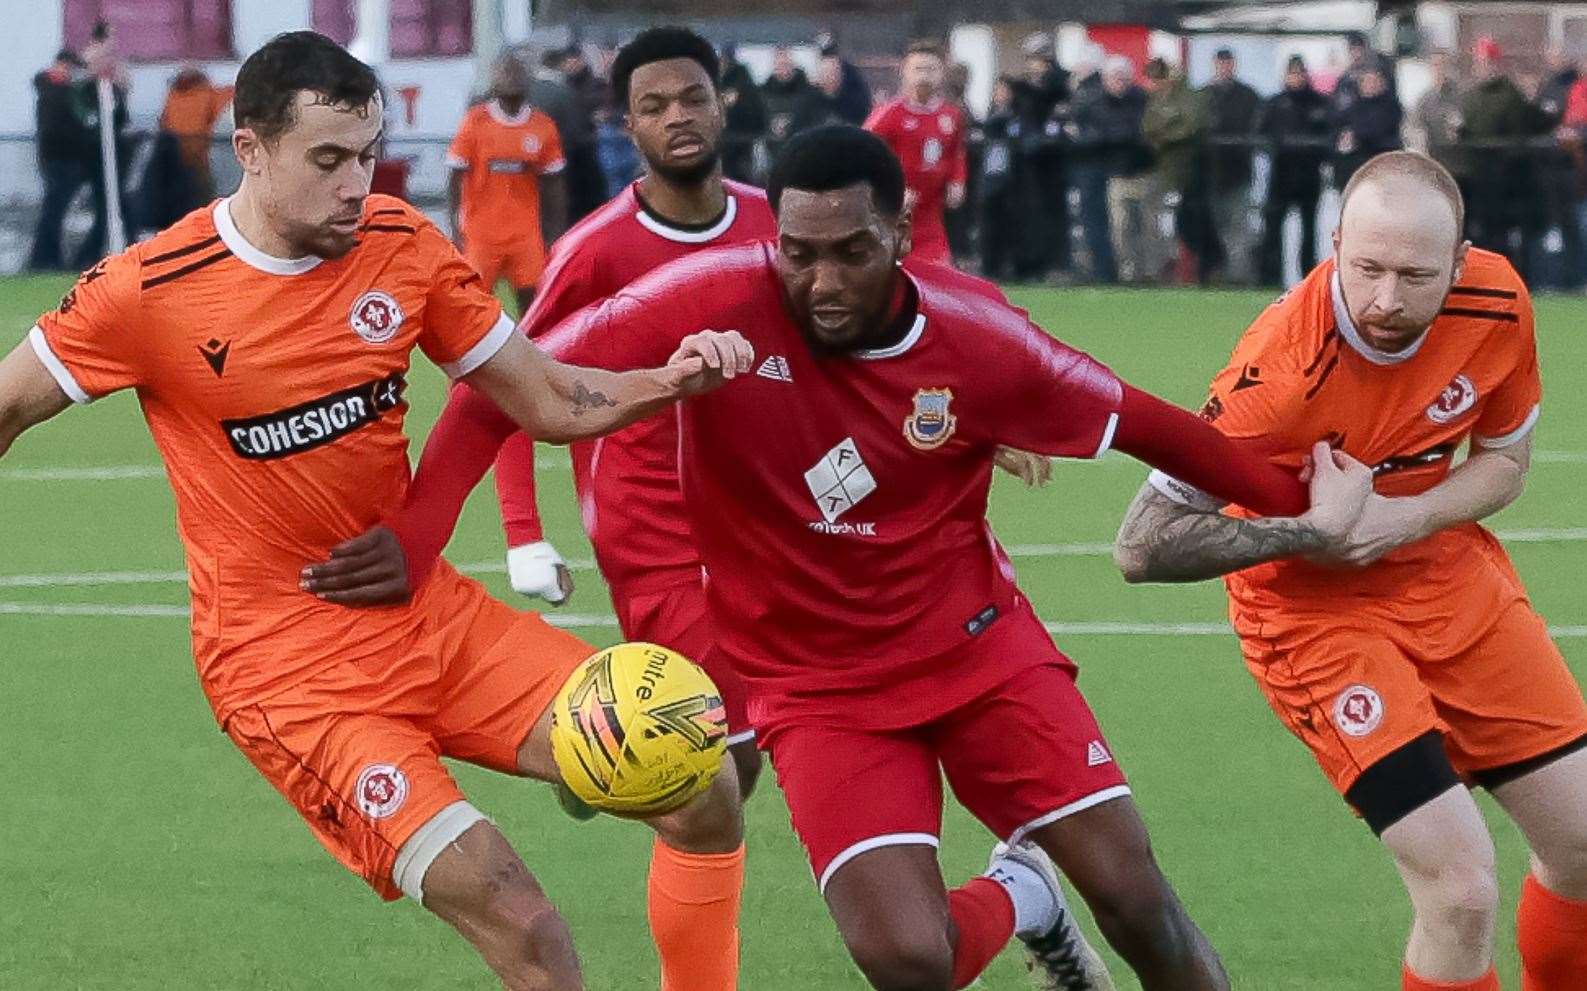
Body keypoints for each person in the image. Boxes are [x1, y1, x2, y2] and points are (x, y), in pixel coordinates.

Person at [310, 124, 1381, 991]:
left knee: (1142, 904)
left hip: (980, 655)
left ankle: (1057, 891)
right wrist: (418, 532)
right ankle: (1021, 895)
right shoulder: (711, 303)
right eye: (800, 252)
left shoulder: (981, 341)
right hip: (814, 689)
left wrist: (1313, 507)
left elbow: (1162, 430)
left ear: (901, 234)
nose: (820, 280)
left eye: (850, 252)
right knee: (905, 958)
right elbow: (514, 378)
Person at [0, 31, 750, 991]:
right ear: (251, 149)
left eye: (366, 155)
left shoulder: (400, 244)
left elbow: (549, 400)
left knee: (698, 774)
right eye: (327, 160)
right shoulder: (148, 291)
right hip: (292, 676)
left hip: (431, 622)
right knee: (528, 929)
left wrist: (671, 379)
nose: (357, 185)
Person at [1115, 150, 1587, 991]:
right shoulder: (1279, 372)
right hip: (1311, 617)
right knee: (1460, 889)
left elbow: (1504, 463)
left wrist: (1397, 519)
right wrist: (1309, 530)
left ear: (1459, 259)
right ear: (1333, 242)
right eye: (1365, 268)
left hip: (1449, 581)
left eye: (1415, 276)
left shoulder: (1496, 298)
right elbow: (1140, 544)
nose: (1384, 300)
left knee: (1584, 844)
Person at [447, 53, 568, 315]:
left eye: (518, 71)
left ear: (528, 79)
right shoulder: (476, 122)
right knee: (474, 302)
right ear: (494, 79)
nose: (512, 77)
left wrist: (556, 231)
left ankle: (531, 349)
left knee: (533, 303)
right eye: (505, 71)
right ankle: (476, 354)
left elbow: (554, 183)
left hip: (525, 231)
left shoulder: (542, 126)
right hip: (481, 232)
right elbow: (454, 177)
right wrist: (454, 226)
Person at [865, 41, 967, 265]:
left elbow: (956, 152)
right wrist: (891, 190)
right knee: (895, 280)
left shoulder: (951, 115)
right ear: (905, 73)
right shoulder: (889, 114)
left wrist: (957, 181)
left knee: (940, 276)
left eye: (931, 69)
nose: (924, 76)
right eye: (918, 69)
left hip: (930, 215)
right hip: (892, 216)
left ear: (942, 73)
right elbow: (864, 156)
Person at [1459, 38, 1549, 282]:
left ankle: (1509, 278)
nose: (1482, 67)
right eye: (1479, 62)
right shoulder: (1471, 97)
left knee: (1503, 235)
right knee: (1481, 234)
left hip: (1505, 180)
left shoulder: (1509, 96)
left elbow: (1518, 135)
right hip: (1478, 178)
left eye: (1486, 62)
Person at [1068, 55, 1149, 284]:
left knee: (1135, 227)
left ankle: (1135, 273)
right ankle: (1105, 272)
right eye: (1114, 78)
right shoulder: (1091, 101)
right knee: (1107, 226)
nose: (1119, 83)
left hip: (1129, 172)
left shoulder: (1139, 100)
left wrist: (1100, 136)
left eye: (1123, 78)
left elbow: (1132, 132)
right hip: (1101, 172)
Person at [1256, 55, 1332, 285]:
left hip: (1309, 174)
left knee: (1309, 231)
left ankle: (1308, 280)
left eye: (1299, 73)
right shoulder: (1275, 103)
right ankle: (1270, 278)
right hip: (1281, 173)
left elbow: (1329, 136)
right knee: (1273, 228)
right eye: (1292, 73)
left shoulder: (1319, 103)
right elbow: (1260, 135)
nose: (1296, 78)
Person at [1142, 58, 1217, 282]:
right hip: (1163, 170)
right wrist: (1167, 128)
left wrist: (1163, 135)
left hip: (1190, 172)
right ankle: (1162, 270)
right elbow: (1147, 126)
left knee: (1191, 222)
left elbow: (1190, 127)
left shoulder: (1193, 97)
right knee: (1163, 222)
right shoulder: (1156, 98)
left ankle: (1202, 269)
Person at [27, 49, 93, 271]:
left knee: (53, 211)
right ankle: (44, 258)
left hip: (55, 158)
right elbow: (60, 129)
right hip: (61, 159)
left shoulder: (50, 91)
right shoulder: (57, 93)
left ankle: (46, 257)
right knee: (53, 212)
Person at [1203, 49, 1260, 283]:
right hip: (1210, 173)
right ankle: (1213, 275)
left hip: (1239, 171)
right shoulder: (1204, 95)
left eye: (1227, 63)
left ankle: (1237, 277)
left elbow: (1256, 129)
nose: (1224, 67)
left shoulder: (1248, 96)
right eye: (1220, 63)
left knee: (1238, 228)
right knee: (1214, 228)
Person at [159, 64, 234, 210]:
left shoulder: (173, 98)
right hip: (198, 167)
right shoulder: (214, 96)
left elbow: (164, 126)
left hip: (181, 166)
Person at [1332, 60, 1402, 187]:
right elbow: (1338, 127)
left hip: (1382, 162)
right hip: (1356, 168)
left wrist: (1357, 136)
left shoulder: (1391, 106)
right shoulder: (1353, 107)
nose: (1370, 85)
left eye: (1374, 80)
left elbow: (1381, 130)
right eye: (1366, 81)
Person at [717, 45, 766, 182]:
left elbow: (756, 118)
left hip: (742, 149)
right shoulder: (712, 83)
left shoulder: (745, 85)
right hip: (722, 148)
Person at [761, 47, 816, 166]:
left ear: (792, 66)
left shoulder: (807, 92)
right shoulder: (764, 93)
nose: (783, 69)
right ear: (774, 67)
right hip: (773, 155)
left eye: (786, 64)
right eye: (780, 65)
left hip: (802, 155)